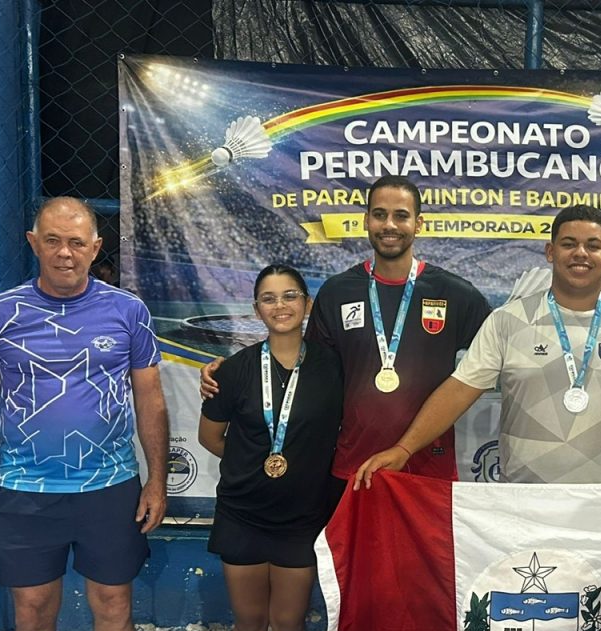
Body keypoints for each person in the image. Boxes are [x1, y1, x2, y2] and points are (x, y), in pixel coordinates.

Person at [354, 204, 601, 493]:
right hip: (524, 503)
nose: (580, 253)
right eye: (569, 244)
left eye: (593, 245)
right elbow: (458, 391)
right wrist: (404, 449)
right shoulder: (508, 320)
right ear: (550, 251)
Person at [0, 197, 168, 631]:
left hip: (110, 486)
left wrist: (156, 481)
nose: (65, 253)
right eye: (53, 240)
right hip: (25, 488)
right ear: (33, 242)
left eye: (77, 242)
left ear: (96, 248)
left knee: (113, 603)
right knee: (32, 609)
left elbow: (151, 399)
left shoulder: (128, 311)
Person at [202, 175, 493, 500]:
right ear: (366, 221)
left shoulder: (455, 294)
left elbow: (499, 354)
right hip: (352, 466)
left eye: (401, 215)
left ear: (419, 223)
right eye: (380, 214)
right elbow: (303, 367)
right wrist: (230, 374)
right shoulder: (338, 292)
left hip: (429, 468)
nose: (389, 225)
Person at [199, 264, 343, 631]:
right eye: (268, 298)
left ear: (306, 304)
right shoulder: (234, 370)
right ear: (256, 308)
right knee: (248, 621)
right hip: (242, 512)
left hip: (303, 517)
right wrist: (253, 466)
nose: (280, 306)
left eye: (289, 296)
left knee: (290, 622)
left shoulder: (334, 366)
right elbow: (210, 437)